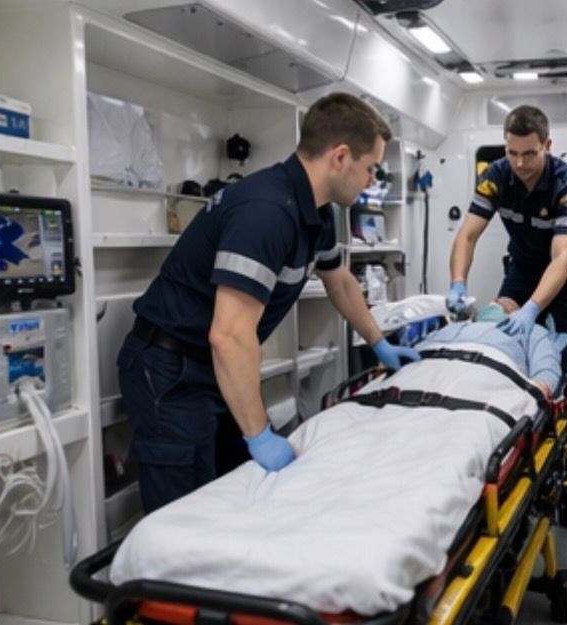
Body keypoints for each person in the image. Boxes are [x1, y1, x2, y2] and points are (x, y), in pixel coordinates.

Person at [118, 93, 420, 513]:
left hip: (210, 366)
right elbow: (229, 335)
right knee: (187, 514)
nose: (372, 180)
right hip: (171, 372)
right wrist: (259, 434)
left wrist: (378, 342)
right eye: (370, 168)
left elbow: (341, 283)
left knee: (235, 496)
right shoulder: (266, 212)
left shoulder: (314, 212)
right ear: (341, 157)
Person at [446, 105, 567, 527]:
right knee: (505, 343)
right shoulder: (495, 176)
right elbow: (469, 233)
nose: (520, 163)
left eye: (529, 154)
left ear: (547, 146)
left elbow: (563, 258)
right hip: (525, 266)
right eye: (512, 152)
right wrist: (458, 282)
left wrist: (534, 308)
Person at [418, 297, 566, 397]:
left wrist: (537, 390)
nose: (498, 301)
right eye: (495, 301)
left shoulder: (528, 330)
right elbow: (418, 352)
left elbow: (546, 371)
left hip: (488, 376)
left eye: (507, 304)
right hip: (430, 369)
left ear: (516, 313)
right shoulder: (454, 327)